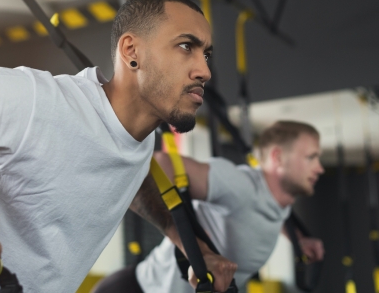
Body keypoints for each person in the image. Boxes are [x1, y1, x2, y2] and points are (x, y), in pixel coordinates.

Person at [0, 0, 238, 292]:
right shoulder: (35, 102)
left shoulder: (137, 140)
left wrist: (184, 238)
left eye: (206, 53)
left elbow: (130, 176)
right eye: (186, 46)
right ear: (131, 51)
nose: (204, 69)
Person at [92, 120, 325, 293]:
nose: (319, 168)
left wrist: (297, 238)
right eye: (311, 158)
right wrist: (199, 252)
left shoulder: (278, 203)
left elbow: (272, 213)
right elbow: (149, 172)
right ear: (278, 157)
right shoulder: (240, 185)